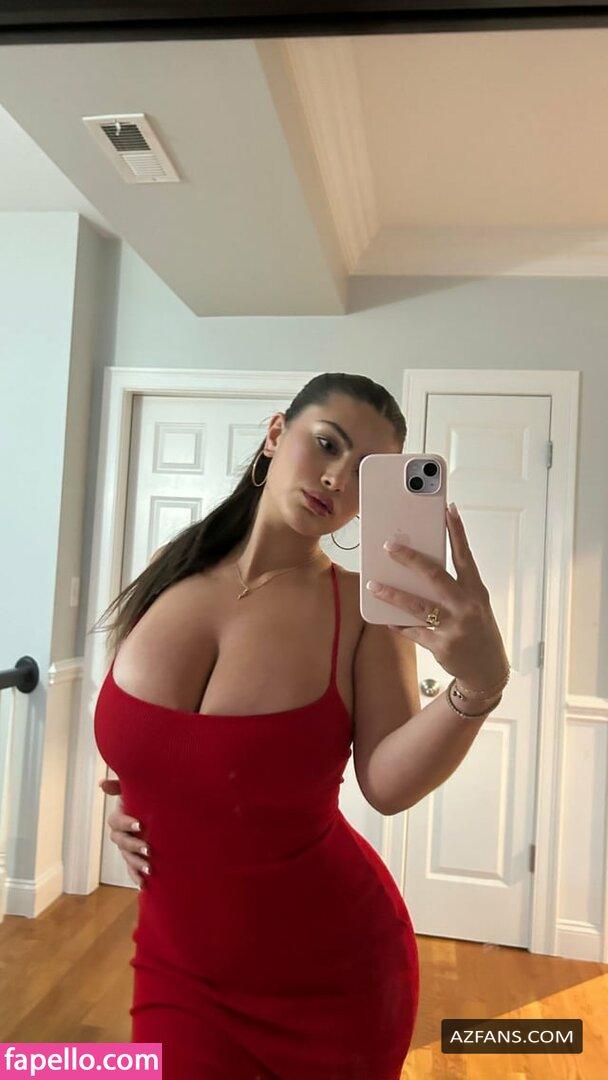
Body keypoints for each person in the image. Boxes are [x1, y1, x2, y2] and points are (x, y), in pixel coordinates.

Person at [93, 372, 509, 1079]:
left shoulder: (362, 615)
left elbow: (386, 785)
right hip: (175, 964)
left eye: (365, 475)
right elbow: (156, 745)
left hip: (333, 977)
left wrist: (481, 684)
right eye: (327, 444)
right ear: (276, 434)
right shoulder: (173, 570)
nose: (337, 479)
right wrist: (141, 798)